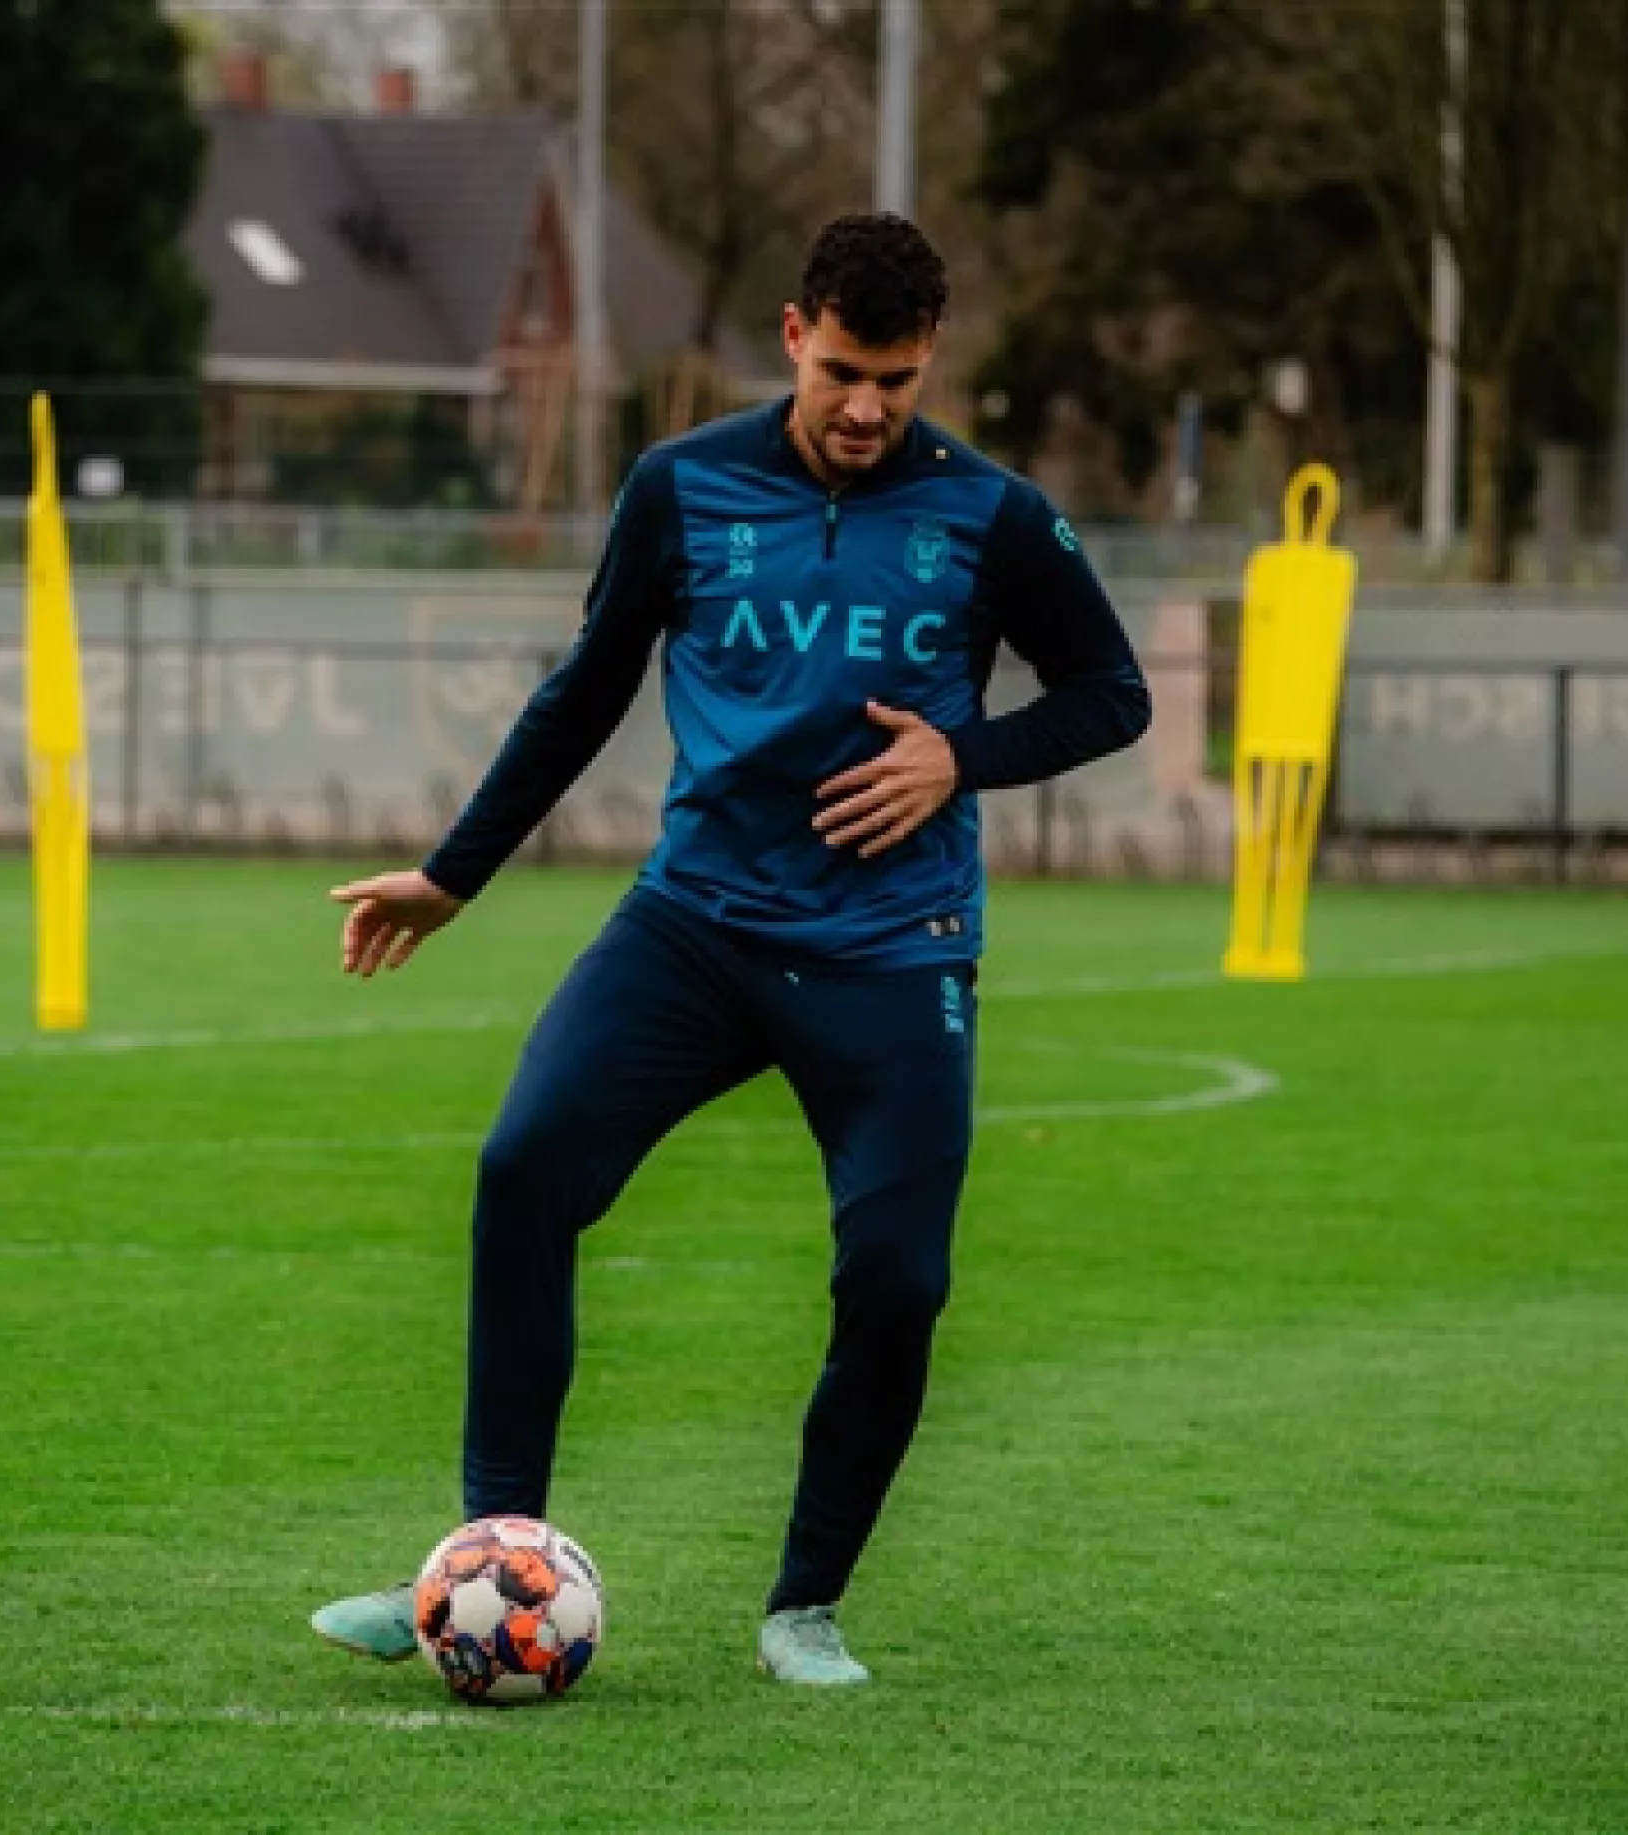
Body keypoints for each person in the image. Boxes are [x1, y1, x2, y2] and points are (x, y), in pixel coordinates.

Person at [310, 214, 1150, 1687]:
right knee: (522, 1172)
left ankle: (803, 1605)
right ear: (790, 334)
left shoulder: (993, 514)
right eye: (839, 370)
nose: (865, 408)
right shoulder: (681, 485)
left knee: (897, 1282)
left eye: (893, 377)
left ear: (930, 354)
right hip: (695, 927)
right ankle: (483, 1560)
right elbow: (583, 693)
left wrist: (961, 752)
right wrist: (453, 875)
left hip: (898, 950)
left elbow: (1110, 693)